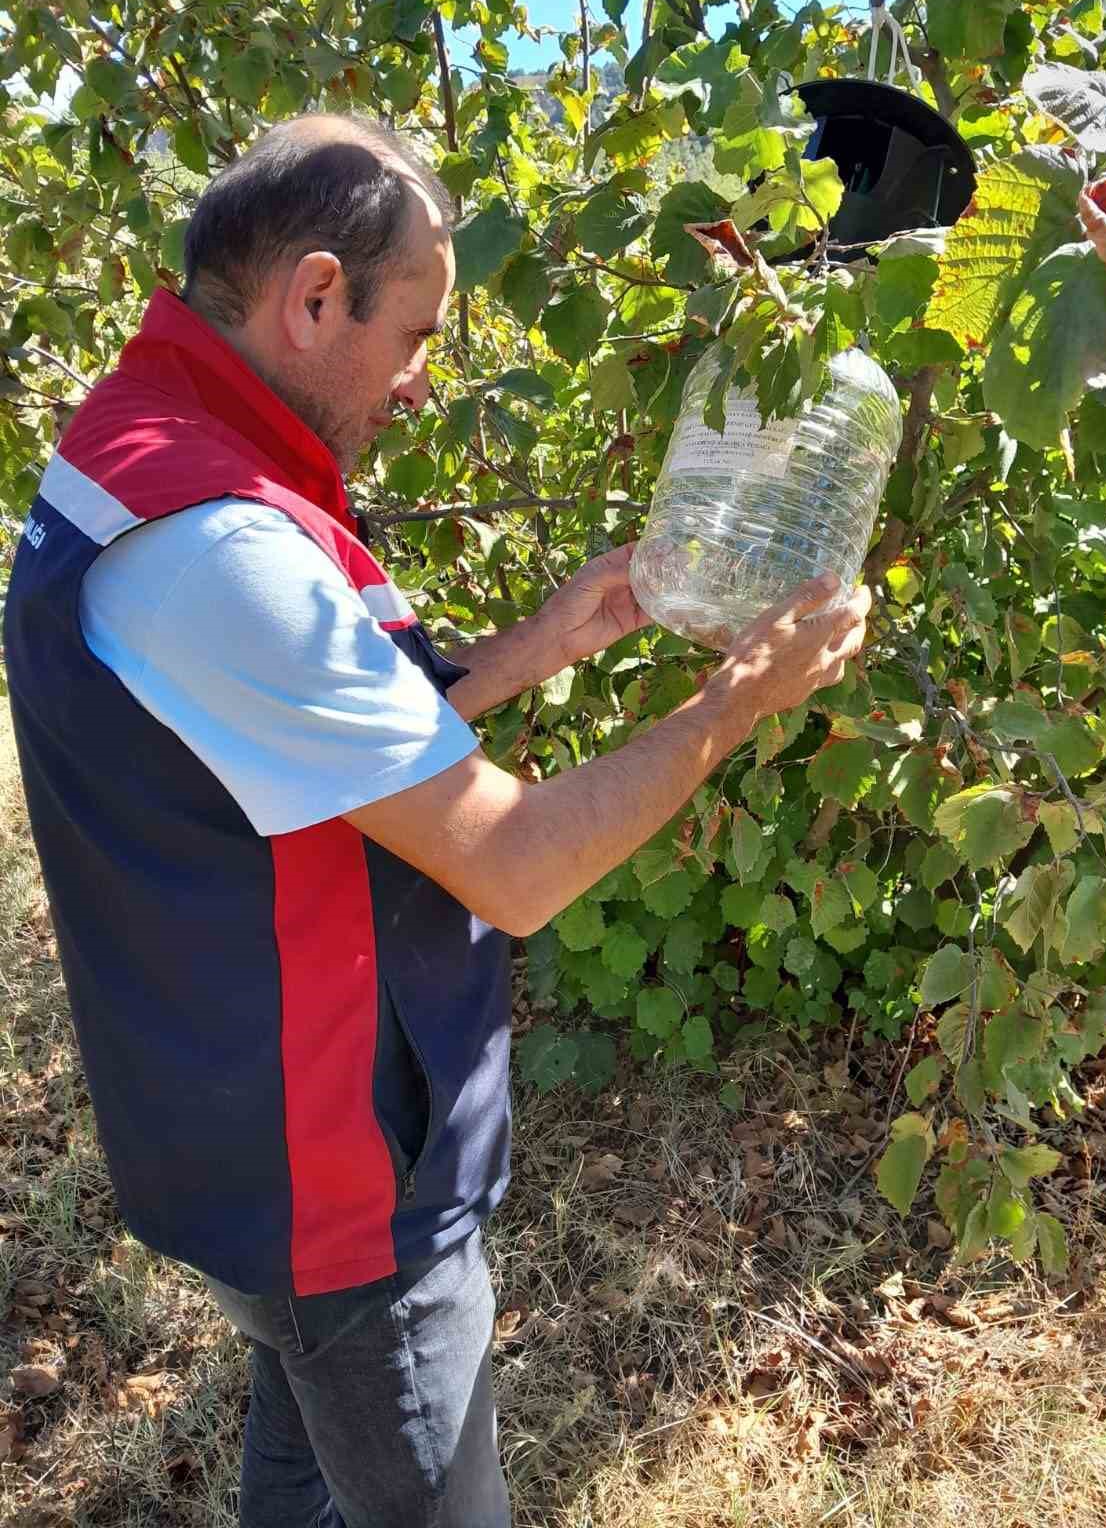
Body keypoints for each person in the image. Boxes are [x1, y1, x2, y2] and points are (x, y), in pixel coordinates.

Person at [3, 114, 871, 1528]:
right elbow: (516, 866)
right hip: (331, 1169)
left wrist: (535, 645)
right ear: (316, 294)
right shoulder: (218, 547)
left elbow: (280, 734)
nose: (421, 385)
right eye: (415, 336)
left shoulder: (148, 453)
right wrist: (733, 705)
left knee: (307, 1449)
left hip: (240, 1135)